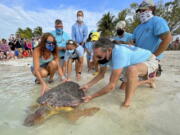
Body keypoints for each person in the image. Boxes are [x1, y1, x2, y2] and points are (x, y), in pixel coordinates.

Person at [81, 38, 159, 107]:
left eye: (99, 57)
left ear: (109, 50)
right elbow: (101, 75)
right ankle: (148, 81)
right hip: (130, 64)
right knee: (122, 89)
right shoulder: (103, 56)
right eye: (95, 56)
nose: (97, 59)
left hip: (149, 60)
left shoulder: (119, 53)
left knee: (132, 70)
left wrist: (91, 97)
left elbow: (111, 86)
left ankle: (127, 103)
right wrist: (87, 85)